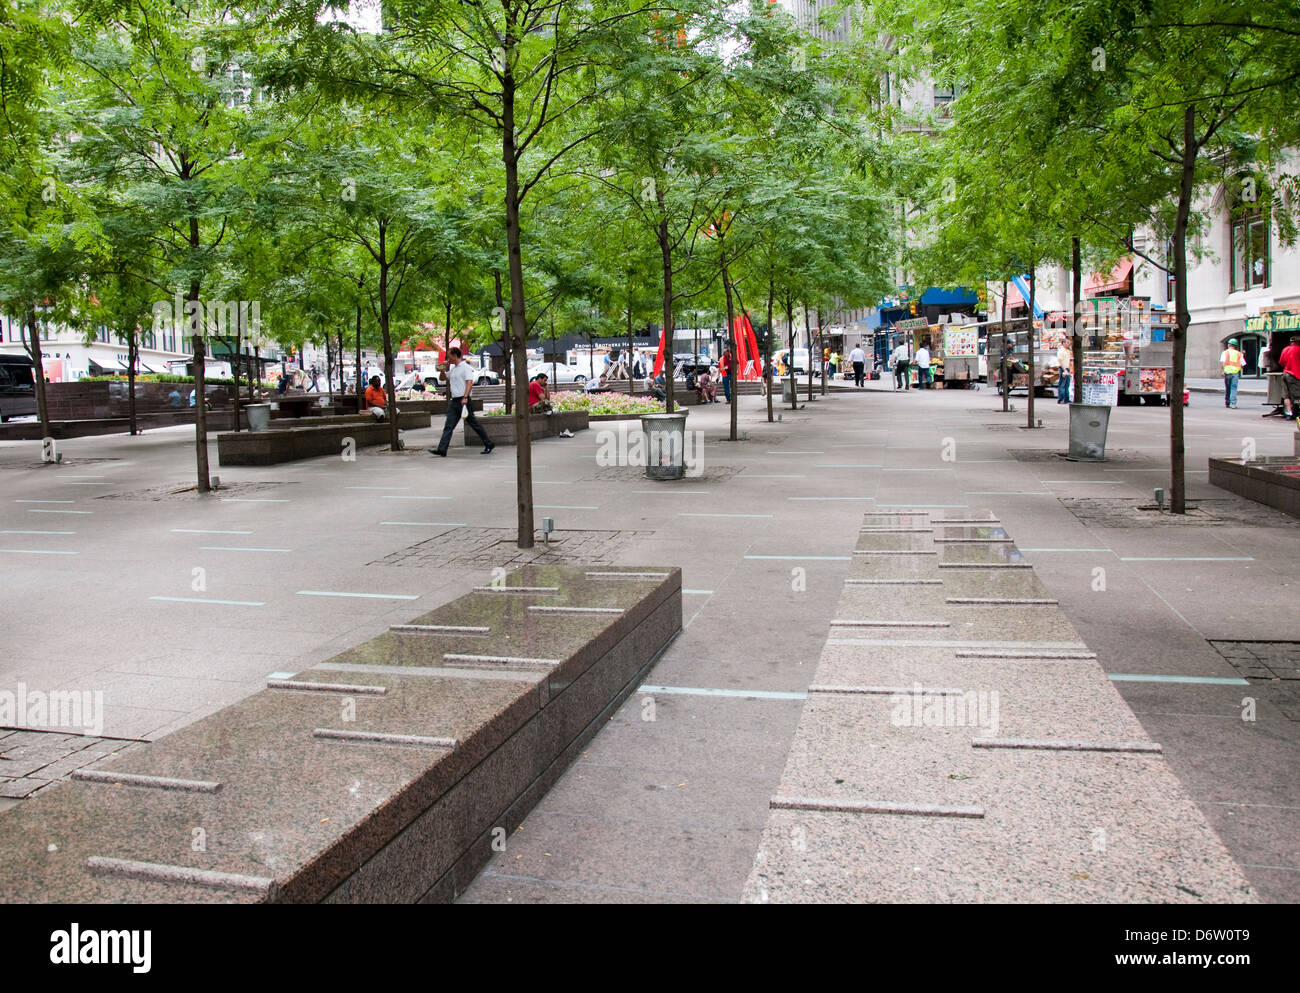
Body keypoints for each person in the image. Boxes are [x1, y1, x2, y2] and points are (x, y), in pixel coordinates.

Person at [429, 347, 494, 456]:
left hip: (463, 400)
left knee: (473, 424)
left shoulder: (465, 368)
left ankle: (488, 443)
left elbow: (469, 382)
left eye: (449, 356)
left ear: (455, 355)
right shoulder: (454, 369)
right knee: (448, 425)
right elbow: (443, 378)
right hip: (454, 400)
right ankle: (442, 449)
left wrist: (465, 396)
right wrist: (443, 369)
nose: (448, 358)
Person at [1279, 334, 1300, 421]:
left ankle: (1288, 414)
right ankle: (1297, 413)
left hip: (1285, 374)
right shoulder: (1298, 349)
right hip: (1295, 375)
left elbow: (1281, 362)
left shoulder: (1285, 349)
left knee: (1286, 396)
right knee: (1298, 396)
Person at [1220, 338, 1245, 409]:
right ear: (1235, 346)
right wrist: (1239, 368)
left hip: (1227, 373)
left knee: (1227, 388)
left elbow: (1223, 363)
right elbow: (1243, 363)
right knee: (1233, 388)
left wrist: (1223, 371)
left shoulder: (1225, 352)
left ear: (1229, 345)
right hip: (1235, 373)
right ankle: (1233, 403)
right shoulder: (1239, 354)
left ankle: (1227, 402)